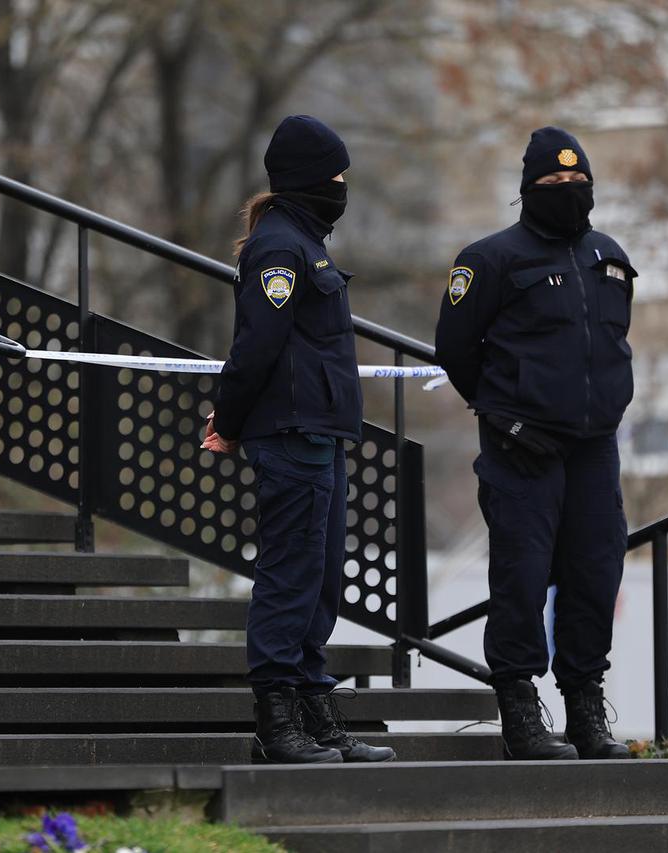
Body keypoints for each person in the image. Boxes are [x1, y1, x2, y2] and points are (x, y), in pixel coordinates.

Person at [434, 126, 634, 761]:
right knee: (521, 576)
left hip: (594, 447)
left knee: (595, 573)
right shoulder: (490, 259)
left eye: (578, 184)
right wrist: (502, 419)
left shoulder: (608, 253)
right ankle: (519, 708)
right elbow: (455, 351)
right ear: (527, 191)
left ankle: (584, 707)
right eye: (553, 184)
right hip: (521, 446)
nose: (568, 193)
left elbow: (610, 344)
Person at [204, 115, 394, 765]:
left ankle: (314, 713)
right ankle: (277, 722)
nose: (344, 186)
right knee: (289, 578)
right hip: (291, 433)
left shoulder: (303, 242)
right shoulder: (281, 247)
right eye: (337, 176)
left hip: (319, 433)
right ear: (311, 179)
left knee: (318, 583)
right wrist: (227, 422)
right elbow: (255, 345)